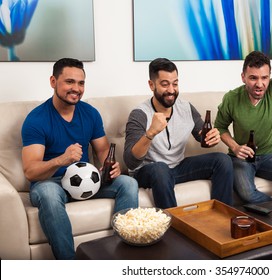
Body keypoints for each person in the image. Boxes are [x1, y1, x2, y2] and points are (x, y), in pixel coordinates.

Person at [21, 58, 139, 259]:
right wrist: (61, 160)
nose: (76, 88)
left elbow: (102, 150)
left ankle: (123, 256)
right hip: (51, 183)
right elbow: (31, 171)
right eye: (69, 82)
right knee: (48, 194)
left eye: (81, 83)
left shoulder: (90, 113)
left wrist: (110, 167)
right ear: (53, 81)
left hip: (87, 180)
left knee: (128, 183)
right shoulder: (36, 119)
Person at [214, 5, 272, 209]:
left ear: (269, 77)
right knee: (247, 193)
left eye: (264, 78)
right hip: (242, 159)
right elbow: (219, 128)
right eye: (253, 78)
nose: (260, 83)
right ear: (243, 77)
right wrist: (235, 147)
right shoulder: (232, 98)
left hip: (270, 157)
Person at [123, 58, 233, 209]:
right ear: (151, 85)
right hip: (149, 171)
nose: (171, 90)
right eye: (164, 84)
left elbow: (202, 136)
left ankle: (222, 217)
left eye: (175, 83)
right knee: (160, 169)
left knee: (223, 160)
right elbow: (130, 161)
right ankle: (174, 227)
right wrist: (151, 133)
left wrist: (211, 138)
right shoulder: (139, 114)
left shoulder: (186, 107)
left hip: (177, 167)